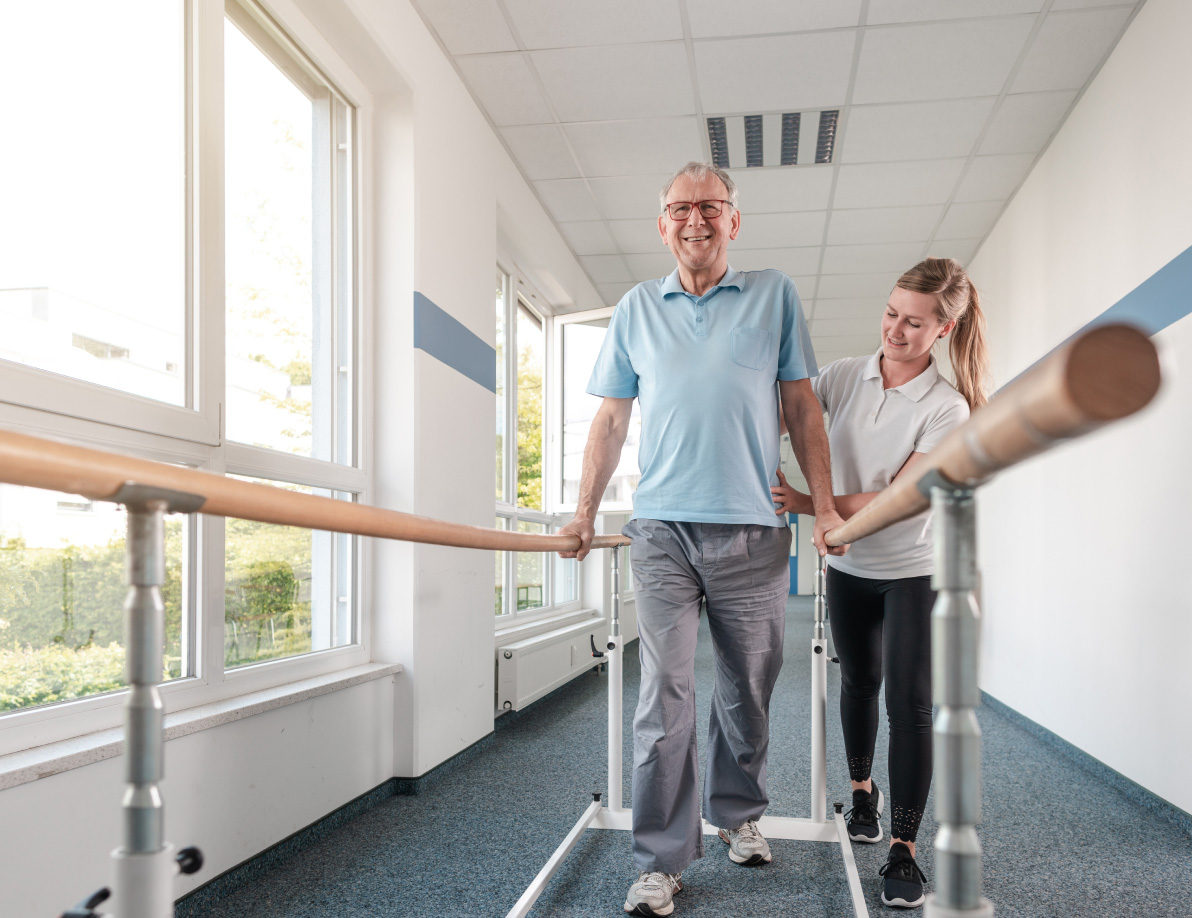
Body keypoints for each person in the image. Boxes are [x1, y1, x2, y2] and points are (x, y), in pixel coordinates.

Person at [557, 160, 846, 918]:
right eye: (680, 208)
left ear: (734, 220)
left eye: (710, 207)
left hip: (753, 532)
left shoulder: (773, 295)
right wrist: (586, 513)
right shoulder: (634, 309)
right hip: (661, 534)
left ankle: (738, 812)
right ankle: (660, 858)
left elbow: (803, 411)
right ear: (662, 224)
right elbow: (611, 421)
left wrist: (828, 511)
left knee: (746, 690)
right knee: (665, 696)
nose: (695, 219)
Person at [772, 257, 990, 909]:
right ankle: (862, 790)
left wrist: (813, 504)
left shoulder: (946, 407)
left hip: (910, 571)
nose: (895, 329)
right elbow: (787, 418)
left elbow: (905, 495)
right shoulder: (842, 376)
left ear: (943, 330)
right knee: (859, 682)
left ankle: (904, 847)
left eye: (913, 322)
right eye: (891, 313)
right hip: (848, 568)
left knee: (911, 704)